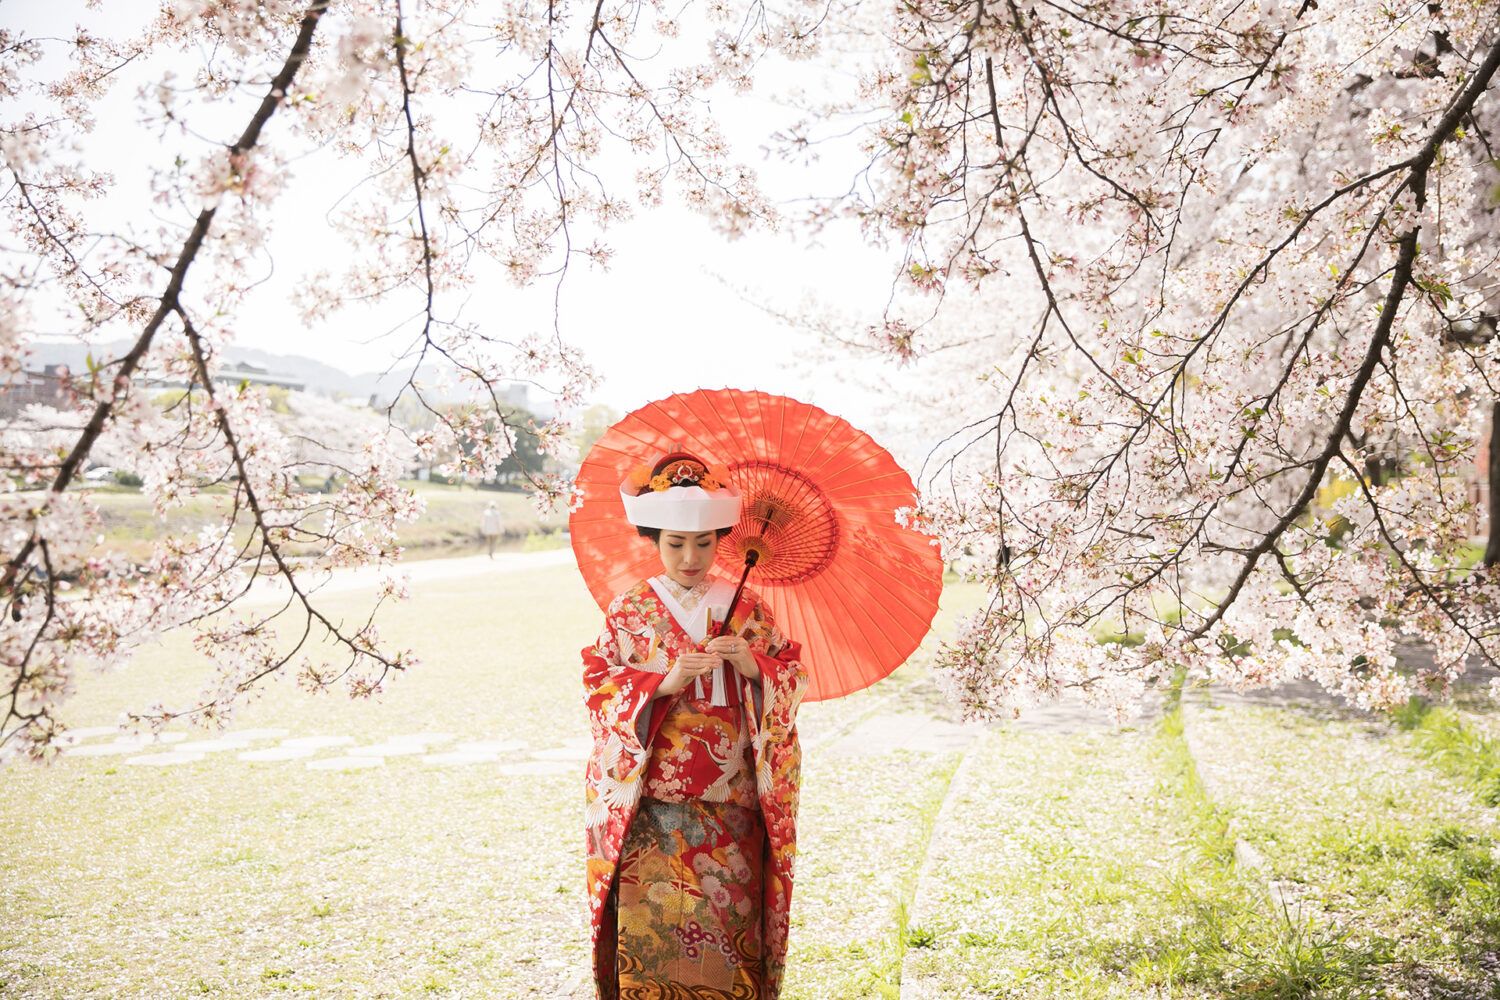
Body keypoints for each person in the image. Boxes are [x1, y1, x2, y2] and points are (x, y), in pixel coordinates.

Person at [580, 451, 808, 999]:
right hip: (653, 802)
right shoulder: (631, 610)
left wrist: (755, 667)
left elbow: (792, 676)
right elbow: (600, 685)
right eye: (675, 543)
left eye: (703, 543)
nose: (689, 557)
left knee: (728, 941)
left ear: (721, 541)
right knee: (653, 937)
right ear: (653, 539)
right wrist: (661, 682)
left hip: (734, 803)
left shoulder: (748, 608)